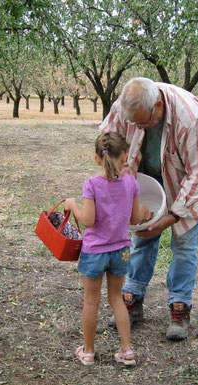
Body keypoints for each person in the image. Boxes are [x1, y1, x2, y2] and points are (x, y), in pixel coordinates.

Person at [101, 77, 198, 340]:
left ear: (157, 105)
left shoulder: (190, 117)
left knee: (184, 245)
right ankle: (132, 301)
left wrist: (172, 216)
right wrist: (120, 171)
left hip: (186, 182)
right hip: (148, 178)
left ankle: (180, 307)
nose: (139, 128)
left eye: (144, 123)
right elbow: (107, 142)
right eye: (135, 124)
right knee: (141, 239)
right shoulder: (126, 107)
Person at [64, 131, 151, 366]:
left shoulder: (91, 184)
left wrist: (73, 206)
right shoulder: (131, 183)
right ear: (125, 156)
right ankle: (127, 350)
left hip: (95, 252)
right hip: (121, 251)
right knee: (117, 299)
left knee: (91, 301)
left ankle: (89, 351)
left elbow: (89, 220)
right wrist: (143, 212)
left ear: (96, 158)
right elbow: (134, 218)